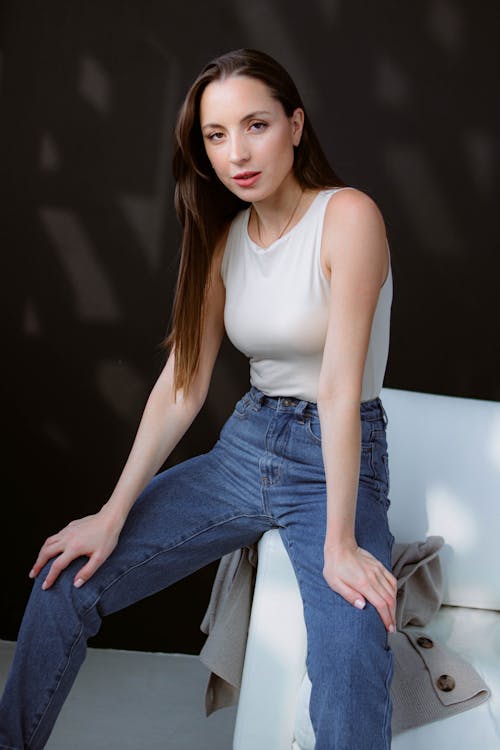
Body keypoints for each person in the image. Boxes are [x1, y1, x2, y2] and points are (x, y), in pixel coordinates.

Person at [0, 48, 396, 749]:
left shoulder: (348, 217)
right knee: (64, 581)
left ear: (295, 126)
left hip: (335, 459)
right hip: (246, 448)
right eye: (216, 136)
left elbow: (338, 387)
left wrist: (340, 542)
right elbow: (183, 384)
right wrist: (111, 514)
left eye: (256, 125)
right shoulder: (224, 242)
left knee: (352, 654)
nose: (237, 153)